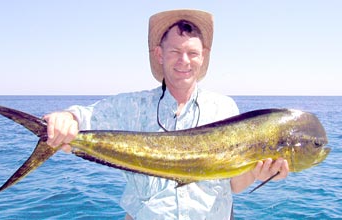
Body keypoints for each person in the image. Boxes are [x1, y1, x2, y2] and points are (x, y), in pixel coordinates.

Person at [43, 9, 289, 220]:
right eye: (174, 52)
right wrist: (65, 119)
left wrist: (257, 173)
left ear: (203, 57)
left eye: (192, 53)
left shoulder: (225, 108)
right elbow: (83, 116)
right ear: (159, 55)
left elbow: (232, 184)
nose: (184, 61)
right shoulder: (132, 106)